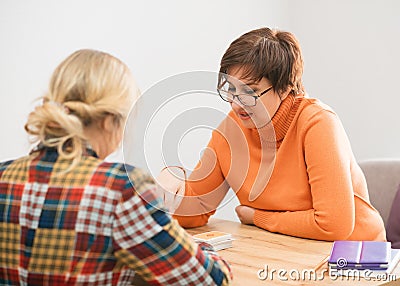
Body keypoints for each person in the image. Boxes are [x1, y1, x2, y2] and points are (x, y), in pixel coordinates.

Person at [0, 49, 232, 285]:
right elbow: (210, 281)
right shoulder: (120, 187)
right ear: (110, 122)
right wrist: (192, 242)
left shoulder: (3, 176)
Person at [168, 27, 386, 241]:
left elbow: (333, 226)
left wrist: (257, 217)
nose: (236, 104)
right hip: (286, 249)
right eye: (232, 90)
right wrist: (168, 186)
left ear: (285, 87)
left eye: (251, 92)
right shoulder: (232, 128)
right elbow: (195, 212)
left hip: (354, 256)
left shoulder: (318, 123)